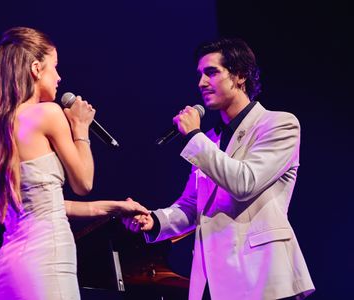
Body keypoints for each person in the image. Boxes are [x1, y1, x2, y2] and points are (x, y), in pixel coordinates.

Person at [124, 38, 315, 300]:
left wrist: (193, 136)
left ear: (240, 76)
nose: (201, 83)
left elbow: (244, 182)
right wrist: (155, 220)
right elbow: (193, 205)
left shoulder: (278, 125)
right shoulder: (211, 139)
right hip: (214, 281)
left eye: (211, 72)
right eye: (200, 75)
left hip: (262, 277)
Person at [0, 26, 149, 300]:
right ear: (36, 68)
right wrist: (80, 128)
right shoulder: (48, 113)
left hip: (9, 268)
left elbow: (45, 203)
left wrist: (113, 208)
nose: (59, 77)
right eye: (54, 67)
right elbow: (83, 183)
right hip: (46, 258)